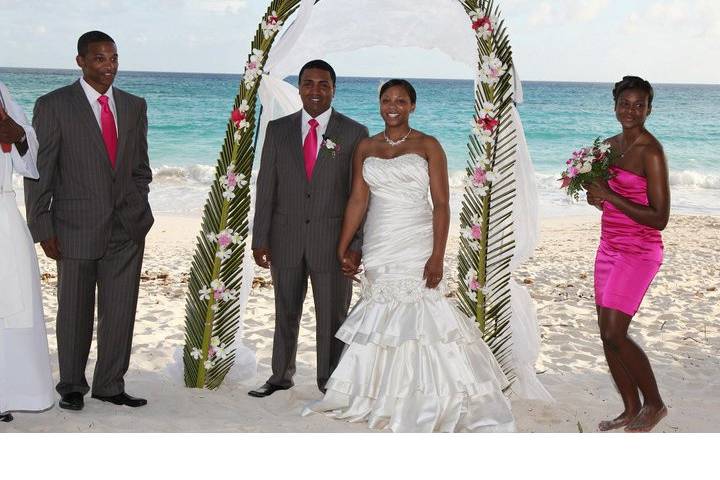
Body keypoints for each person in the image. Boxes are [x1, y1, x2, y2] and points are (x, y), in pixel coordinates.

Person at [302, 79, 515, 432]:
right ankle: (380, 395)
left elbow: (442, 204)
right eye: (387, 100)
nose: (393, 106)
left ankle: (429, 397)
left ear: (413, 106)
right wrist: (343, 246)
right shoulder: (365, 147)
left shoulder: (428, 145)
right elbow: (358, 199)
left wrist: (437, 256)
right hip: (380, 240)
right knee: (381, 317)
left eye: (401, 100)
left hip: (416, 240)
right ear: (379, 104)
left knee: (422, 315)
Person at [24, 31, 154, 411]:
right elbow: (40, 171)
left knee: (120, 310)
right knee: (74, 310)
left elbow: (140, 166)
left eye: (113, 58)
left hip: (127, 227)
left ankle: (111, 384)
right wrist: (42, 226)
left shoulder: (133, 106)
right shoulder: (54, 105)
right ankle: (71, 386)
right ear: (80, 61)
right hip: (73, 227)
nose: (108, 66)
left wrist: (139, 203)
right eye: (99, 58)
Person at [249, 60, 369, 397]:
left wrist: (356, 244)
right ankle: (279, 376)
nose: (315, 90)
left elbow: (360, 195)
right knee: (284, 310)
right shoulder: (277, 129)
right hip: (284, 238)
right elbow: (266, 186)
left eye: (323, 84)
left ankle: (329, 380)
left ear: (334, 88)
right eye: (308, 83)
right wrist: (260, 237)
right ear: (299, 86)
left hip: (333, 243)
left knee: (333, 316)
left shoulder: (354, 133)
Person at [586, 76, 670, 432]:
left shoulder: (651, 151)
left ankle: (655, 404)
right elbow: (602, 198)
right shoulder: (606, 147)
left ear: (649, 109)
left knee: (616, 332)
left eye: (639, 105)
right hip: (609, 246)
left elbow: (660, 217)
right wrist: (595, 196)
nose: (631, 111)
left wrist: (611, 196)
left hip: (640, 250)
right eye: (625, 104)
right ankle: (630, 406)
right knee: (606, 333)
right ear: (615, 105)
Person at [0, 81, 54, 423]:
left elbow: (30, 157)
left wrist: (17, 133)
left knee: (14, 305)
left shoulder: (3, 92)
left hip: (3, 212)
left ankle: (7, 392)